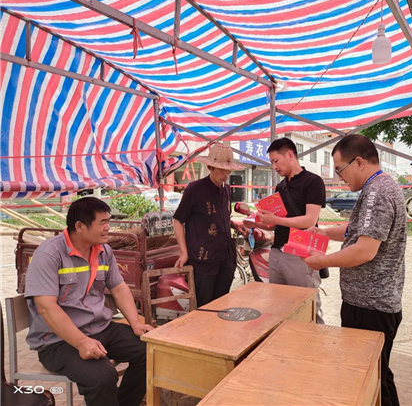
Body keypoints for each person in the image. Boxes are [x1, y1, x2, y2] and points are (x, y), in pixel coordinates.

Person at [303, 134, 407, 406]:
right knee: (378, 373)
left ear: (359, 162)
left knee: (372, 379)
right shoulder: (377, 188)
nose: (340, 178)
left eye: (340, 170)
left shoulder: (377, 193)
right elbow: (355, 232)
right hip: (369, 303)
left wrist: (323, 261)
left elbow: (364, 250)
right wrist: (325, 232)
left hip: (370, 307)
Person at [24, 197, 153, 406]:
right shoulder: (49, 254)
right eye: (102, 222)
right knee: (102, 376)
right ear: (80, 226)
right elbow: (46, 308)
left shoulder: (104, 251)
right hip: (57, 341)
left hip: (100, 328)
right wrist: (81, 342)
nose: (108, 227)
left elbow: (119, 288)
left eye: (108, 221)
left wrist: (136, 323)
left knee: (152, 351)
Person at [248, 137, 326, 323]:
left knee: (306, 307)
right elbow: (276, 224)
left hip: (301, 254)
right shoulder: (281, 186)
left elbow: (310, 220)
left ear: (290, 155)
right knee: (279, 305)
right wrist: (256, 223)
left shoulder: (313, 182)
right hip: (277, 252)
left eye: (276, 161)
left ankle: (313, 338)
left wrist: (275, 219)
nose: (274, 167)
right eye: (272, 163)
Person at [173, 143, 248, 307]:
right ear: (210, 167)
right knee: (204, 306)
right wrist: (184, 252)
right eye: (221, 170)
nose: (225, 174)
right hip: (203, 259)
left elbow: (221, 216)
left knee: (222, 304)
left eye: (228, 170)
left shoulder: (226, 190)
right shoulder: (194, 189)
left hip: (225, 256)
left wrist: (234, 225)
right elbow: (178, 220)